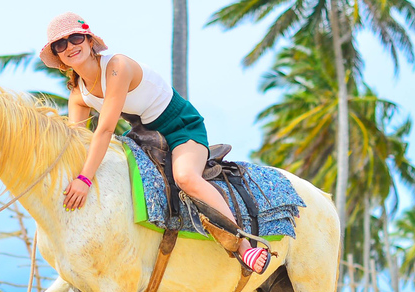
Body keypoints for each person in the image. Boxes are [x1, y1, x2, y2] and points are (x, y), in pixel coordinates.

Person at [39, 12, 269, 274]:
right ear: (57, 56)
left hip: (180, 127)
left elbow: (104, 130)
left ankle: (244, 246)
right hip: (145, 136)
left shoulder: (117, 66)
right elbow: (76, 142)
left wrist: (85, 180)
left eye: (76, 37)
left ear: (90, 41)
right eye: (61, 44)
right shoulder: (78, 93)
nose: (70, 46)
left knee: (185, 178)